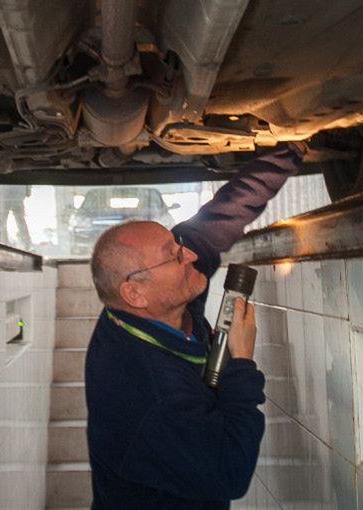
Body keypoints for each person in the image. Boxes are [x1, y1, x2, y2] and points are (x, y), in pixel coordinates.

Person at [84, 142, 304, 508]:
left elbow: (218, 219)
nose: (188, 254)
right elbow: (229, 472)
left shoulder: (151, 306)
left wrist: (290, 149)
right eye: (174, 255)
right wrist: (242, 364)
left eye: (176, 245)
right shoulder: (151, 394)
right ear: (135, 292)